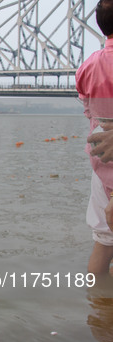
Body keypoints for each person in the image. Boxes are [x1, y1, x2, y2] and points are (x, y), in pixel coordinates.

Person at [76, 0, 113, 274]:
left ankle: (98, 313)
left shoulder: (87, 66)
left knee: (103, 240)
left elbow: (89, 109)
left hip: (100, 159)